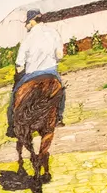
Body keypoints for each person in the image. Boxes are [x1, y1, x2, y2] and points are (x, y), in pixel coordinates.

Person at [7, 8, 66, 138]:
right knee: (61, 90)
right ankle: (59, 116)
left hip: (32, 74)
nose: (26, 25)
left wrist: (19, 75)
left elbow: (19, 63)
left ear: (32, 21)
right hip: (51, 72)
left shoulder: (27, 39)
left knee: (14, 96)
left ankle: (11, 126)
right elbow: (60, 55)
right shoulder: (53, 33)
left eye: (27, 22)